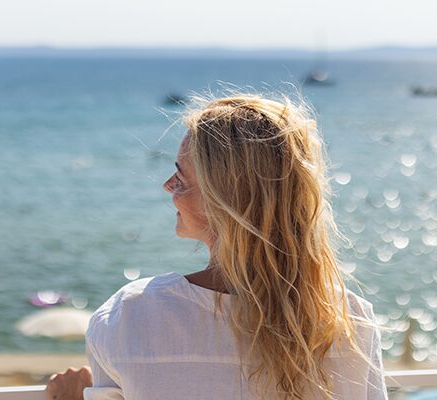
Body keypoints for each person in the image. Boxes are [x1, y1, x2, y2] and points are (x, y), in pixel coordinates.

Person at [47, 94, 388, 399]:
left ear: (222, 201)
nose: (167, 186)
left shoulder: (131, 317)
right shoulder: (351, 321)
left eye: (180, 178)